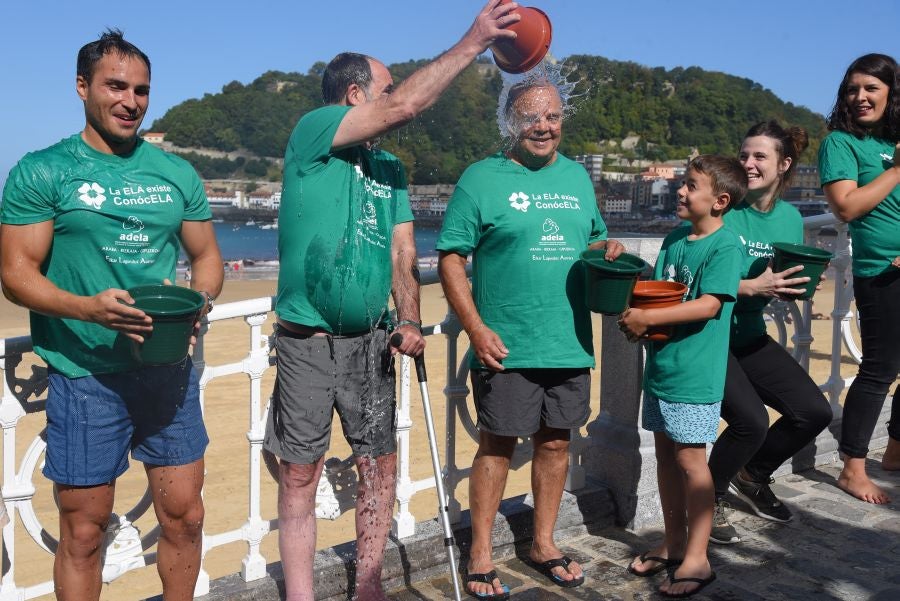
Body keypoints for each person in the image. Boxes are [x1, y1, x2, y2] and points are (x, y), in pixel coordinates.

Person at [261, 3, 521, 600]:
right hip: (307, 340)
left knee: (379, 465)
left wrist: (408, 318)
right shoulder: (313, 133)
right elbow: (408, 104)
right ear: (354, 96)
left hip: (373, 339)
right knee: (300, 473)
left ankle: (369, 584)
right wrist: (474, 41)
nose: (394, 97)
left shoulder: (390, 168)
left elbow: (403, 255)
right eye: (383, 88)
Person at [0, 29, 223, 601]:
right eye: (116, 86)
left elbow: (205, 258)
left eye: (142, 90)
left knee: (185, 518)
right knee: (83, 531)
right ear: (82, 87)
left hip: (167, 371)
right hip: (85, 374)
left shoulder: (176, 173)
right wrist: (88, 310)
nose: (131, 101)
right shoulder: (42, 170)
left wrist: (199, 303)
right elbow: (16, 274)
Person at [437, 79, 624, 599]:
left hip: (567, 338)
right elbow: (450, 255)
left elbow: (591, 239)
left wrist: (606, 245)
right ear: (509, 122)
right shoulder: (480, 179)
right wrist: (475, 327)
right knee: (495, 446)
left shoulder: (578, 178)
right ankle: (480, 553)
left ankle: (543, 543)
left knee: (558, 442)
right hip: (506, 342)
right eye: (531, 117)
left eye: (553, 117)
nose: (543, 127)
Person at [622, 155, 744, 598]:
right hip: (662, 370)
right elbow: (659, 291)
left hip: (695, 376)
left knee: (693, 461)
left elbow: (710, 304)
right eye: (683, 183)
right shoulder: (675, 239)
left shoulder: (725, 246)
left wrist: (649, 318)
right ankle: (674, 542)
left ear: (720, 201)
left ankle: (698, 556)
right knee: (667, 458)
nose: (681, 190)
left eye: (692, 185)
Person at [706, 122, 834, 544]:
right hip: (711, 336)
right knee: (751, 421)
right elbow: (696, 275)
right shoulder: (722, 207)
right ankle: (709, 498)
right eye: (744, 155)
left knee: (814, 411)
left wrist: (790, 287)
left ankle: (753, 473)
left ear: (784, 165)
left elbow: (778, 281)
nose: (748, 164)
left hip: (749, 334)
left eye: (759, 157)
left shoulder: (790, 218)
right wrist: (750, 287)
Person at [819, 53, 900, 504]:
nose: (860, 97)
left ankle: (894, 452)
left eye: (871, 88)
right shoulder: (841, 143)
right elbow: (845, 207)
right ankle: (852, 466)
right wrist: (896, 169)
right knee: (879, 370)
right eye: (853, 89)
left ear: (891, 92)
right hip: (880, 271)